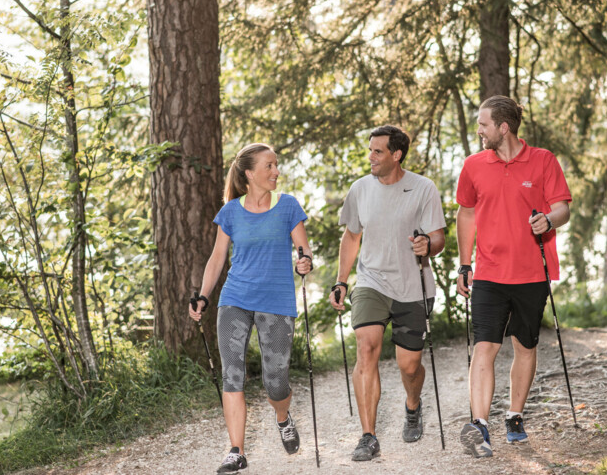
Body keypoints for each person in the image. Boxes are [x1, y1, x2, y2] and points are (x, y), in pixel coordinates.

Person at [455, 95, 571, 458]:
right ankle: (480, 425)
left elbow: (562, 207)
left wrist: (548, 220)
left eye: (484, 124)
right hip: (488, 273)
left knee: (525, 345)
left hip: (532, 273)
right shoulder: (474, 165)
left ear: (503, 128)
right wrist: (464, 263)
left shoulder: (543, 161)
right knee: (484, 347)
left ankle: (515, 416)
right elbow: (466, 214)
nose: (479, 130)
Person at [189, 143, 312, 473]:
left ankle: (282, 417)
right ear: (249, 173)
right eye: (269, 166)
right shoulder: (230, 211)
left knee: (276, 381)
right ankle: (236, 451)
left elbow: (304, 248)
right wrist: (203, 295)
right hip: (235, 300)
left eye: (276, 165)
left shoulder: (287, 205)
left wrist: (305, 261)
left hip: (276, 302)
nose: (276, 171)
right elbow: (218, 258)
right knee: (233, 375)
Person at [328, 125, 446, 461]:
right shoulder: (360, 189)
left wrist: (428, 244)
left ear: (397, 155)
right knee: (366, 347)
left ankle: (413, 404)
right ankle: (368, 436)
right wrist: (341, 280)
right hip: (371, 283)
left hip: (413, 285)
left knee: (409, 366)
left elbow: (437, 238)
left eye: (378, 151)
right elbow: (352, 237)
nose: (371, 157)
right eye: (370, 150)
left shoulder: (423, 188)